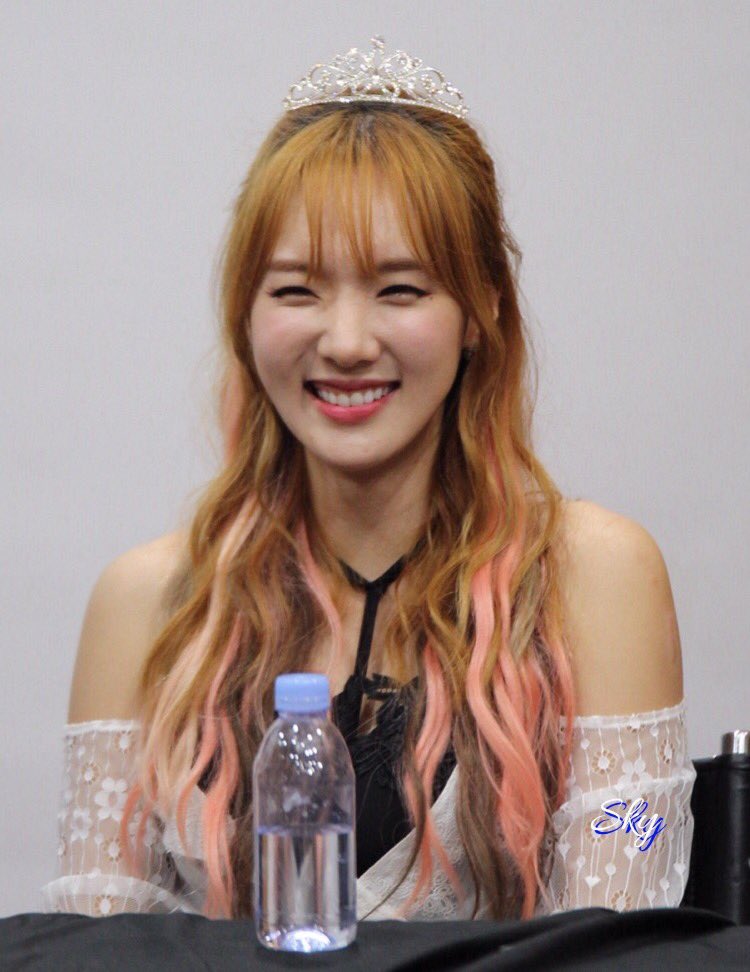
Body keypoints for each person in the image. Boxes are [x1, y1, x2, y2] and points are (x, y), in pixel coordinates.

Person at [41, 36, 696, 922]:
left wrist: (637, 825)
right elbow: (91, 947)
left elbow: (629, 892)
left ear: (481, 310)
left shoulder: (594, 576)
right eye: (296, 290)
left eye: (399, 290)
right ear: (244, 317)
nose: (346, 342)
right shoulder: (147, 605)